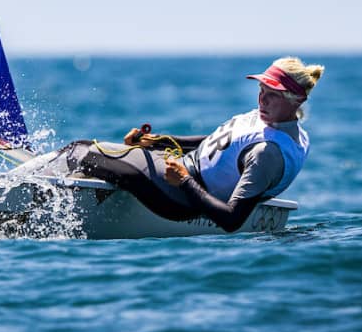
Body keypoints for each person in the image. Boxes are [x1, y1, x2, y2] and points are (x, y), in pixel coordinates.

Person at [52, 56, 324, 233]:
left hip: (178, 196)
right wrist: (157, 141)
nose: (262, 100)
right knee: (98, 150)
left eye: (272, 95)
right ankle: (80, 180)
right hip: (182, 171)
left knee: (80, 151)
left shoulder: (268, 153)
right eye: (261, 91)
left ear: (296, 101)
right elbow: (216, 146)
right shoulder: (274, 122)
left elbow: (231, 220)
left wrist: (183, 181)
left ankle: (23, 187)